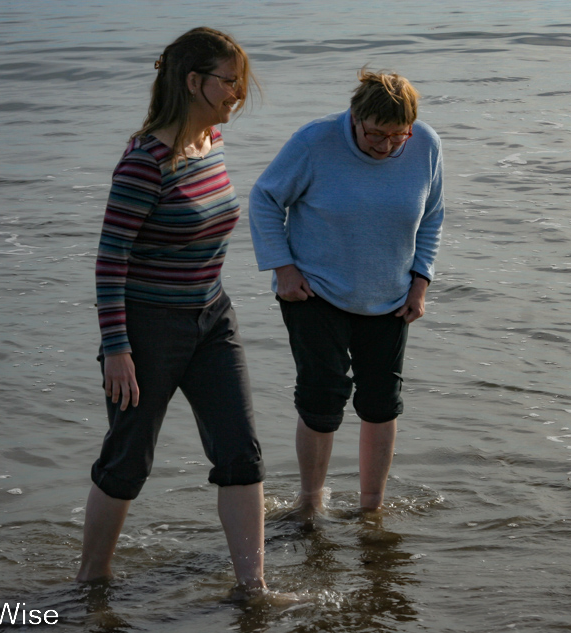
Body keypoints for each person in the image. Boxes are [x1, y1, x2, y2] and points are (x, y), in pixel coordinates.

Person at [76, 27, 271, 600]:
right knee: (128, 460)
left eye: (240, 80)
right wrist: (117, 349)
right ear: (193, 81)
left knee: (241, 452)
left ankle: (251, 587)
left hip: (213, 316)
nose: (239, 92)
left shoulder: (210, 140)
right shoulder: (146, 162)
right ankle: (91, 581)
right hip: (147, 329)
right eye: (229, 81)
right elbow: (110, 260)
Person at [249, 69, 444, 516]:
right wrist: (283, 269)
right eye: (375, 134)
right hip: (314, 292)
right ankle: (310, 504)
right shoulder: (314, 142)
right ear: (354, 117)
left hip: (392, 295)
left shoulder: (426, 145)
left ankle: (371, 509)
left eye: (398, 136)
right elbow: (264, 199)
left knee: (382, 403)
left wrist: (421, 280)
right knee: (322, 398)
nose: (386, 146)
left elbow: (432, 215)